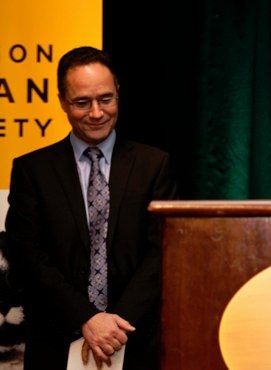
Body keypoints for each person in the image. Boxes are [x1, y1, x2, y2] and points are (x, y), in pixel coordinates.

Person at [4, 46, 178, 369]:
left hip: (135, 342)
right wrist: (86, 318)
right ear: (61, 101)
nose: (97, 112)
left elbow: (163, 253)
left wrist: (114, 326)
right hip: (56, 343)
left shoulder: (155, 165)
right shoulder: (32, 170)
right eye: (82, 102)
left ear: (118, 94)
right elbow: (27, 256)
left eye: (106, 99)